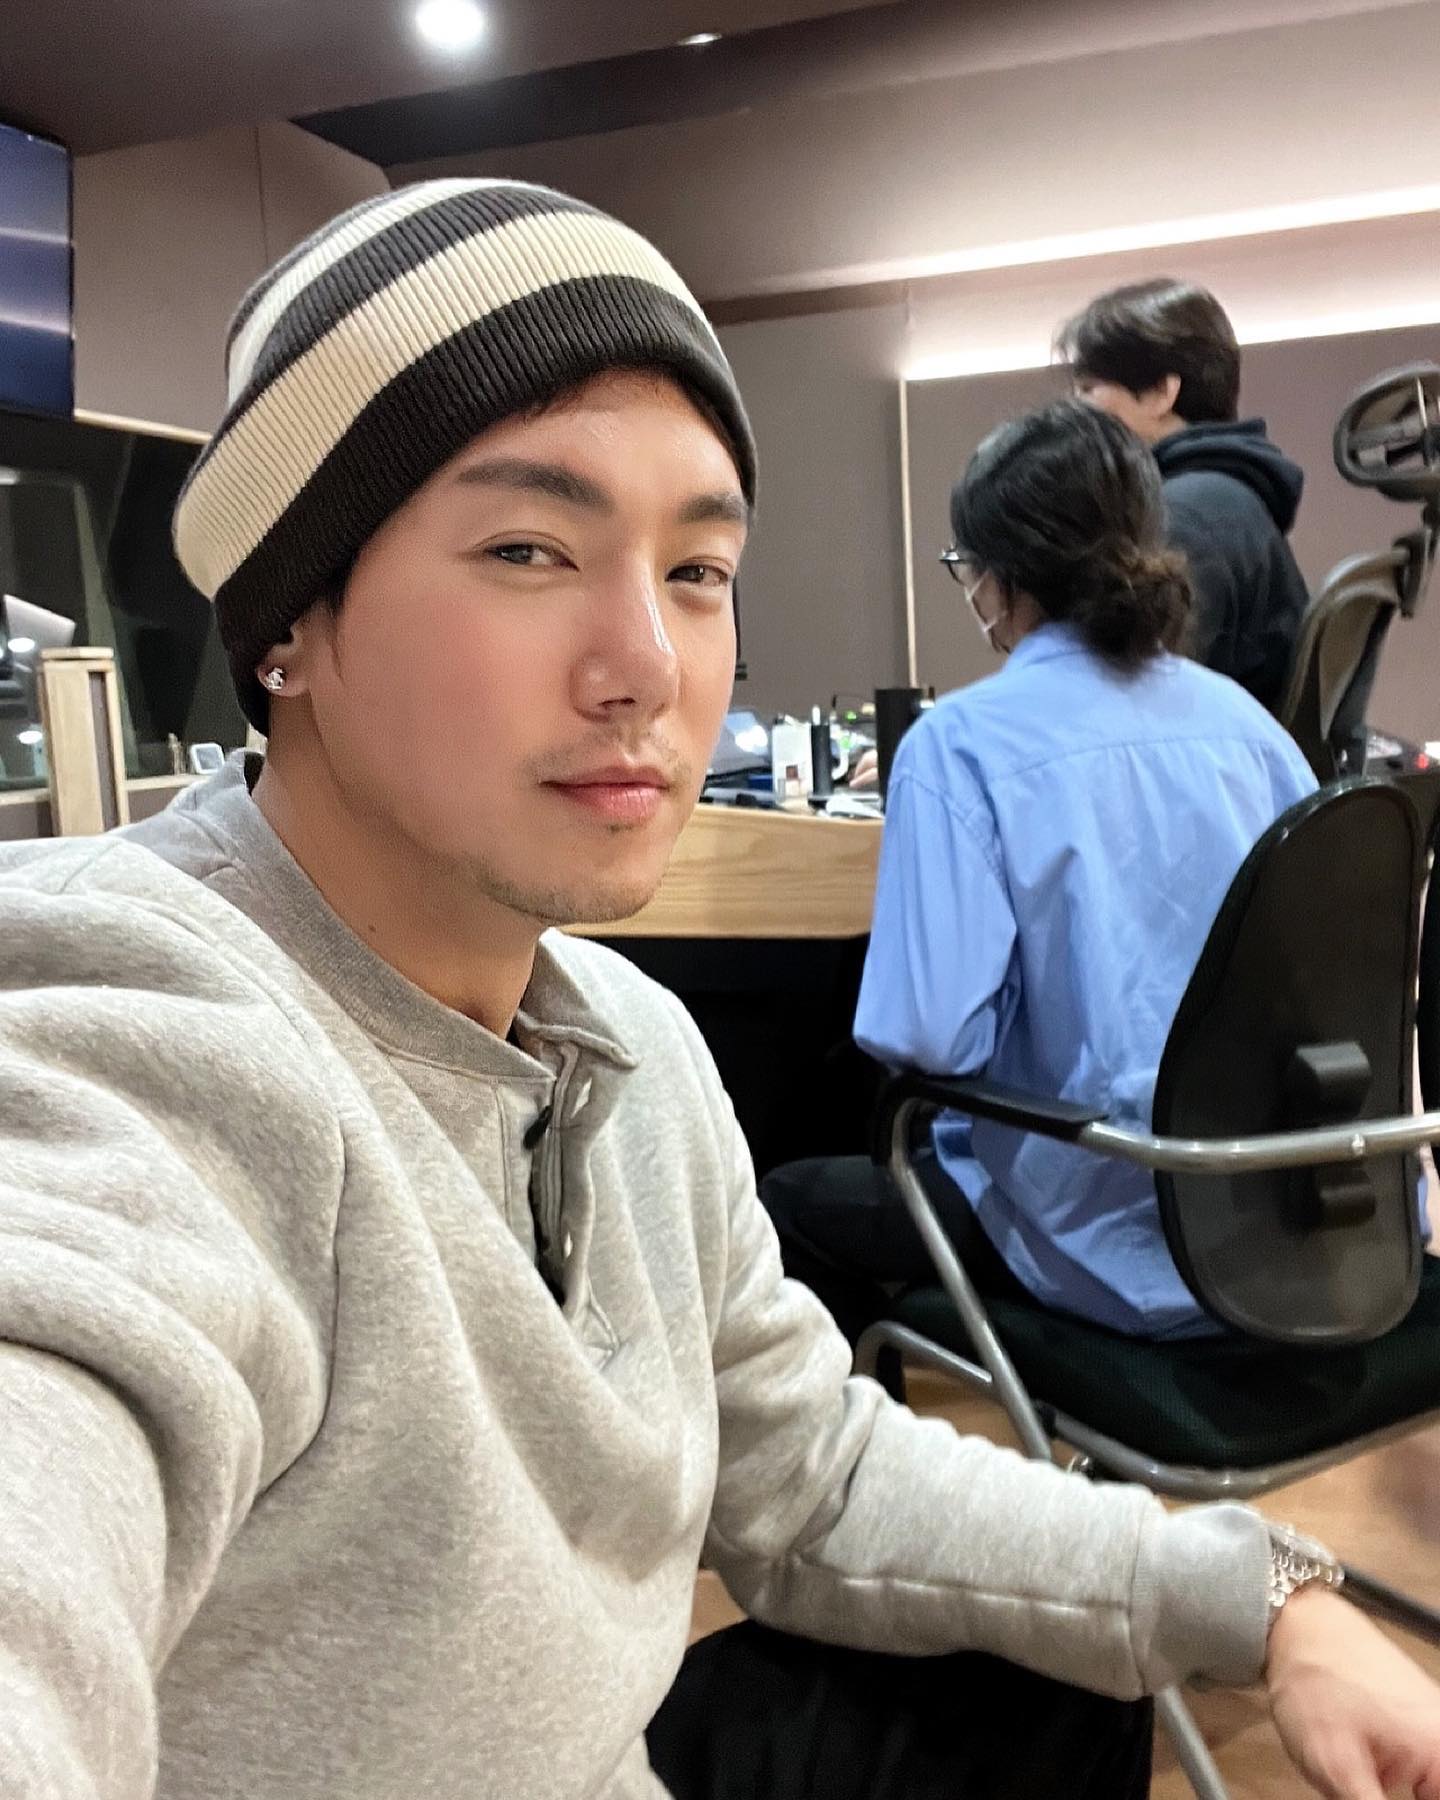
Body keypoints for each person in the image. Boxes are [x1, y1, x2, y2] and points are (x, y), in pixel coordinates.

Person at [0, 184, 1436, 1800]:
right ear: (286, 620)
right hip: (1320, 1229)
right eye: (529, 549)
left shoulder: (635, 1044)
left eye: (697, 568)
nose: (649, 667)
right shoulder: (129, 1031)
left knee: (1051, 1680)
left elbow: (812, 1468)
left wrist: (1267, 1595)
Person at [762, 400, 1318, 1347]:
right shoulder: (1255, 733)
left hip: (1102, 1233)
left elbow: (926, 1038)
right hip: (1285, 1229)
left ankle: (889, 1441)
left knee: (791, 1193)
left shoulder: (958, 747)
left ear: (1001, 576)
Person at [1056, 277, 1311, 712]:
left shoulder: (1182, 519)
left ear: (1161, 392)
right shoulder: (1227, 497)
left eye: (1087, 389)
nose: (1074, 408)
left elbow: (1134, 707)